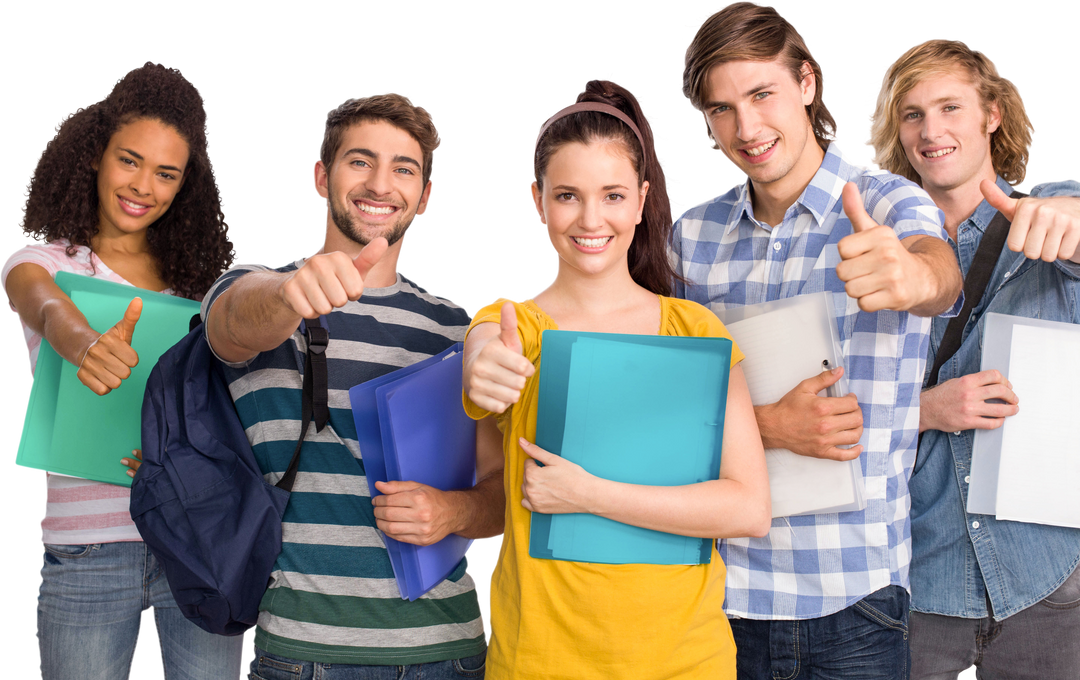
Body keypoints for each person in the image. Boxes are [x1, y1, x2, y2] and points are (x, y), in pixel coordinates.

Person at [671, 3, 965, 677]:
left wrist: (912, 273)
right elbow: (673, 401)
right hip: (722, 599)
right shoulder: (692, 234)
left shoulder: (889, 203)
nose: (746, 128)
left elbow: (937, 273)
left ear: (806, 82)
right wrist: (769, 425)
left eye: (762, 94)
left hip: (856, 600)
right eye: (721, 109)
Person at [462, 75, 772, 680]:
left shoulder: (696, 331)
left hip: (684, 658)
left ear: (639, 199)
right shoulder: (511, 325)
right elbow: (483, 362)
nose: (590, 218)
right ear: (537, 201)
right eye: (568, 195)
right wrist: (483, 372)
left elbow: (748, 507)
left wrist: (589, 495)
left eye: (611, 195)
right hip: (541, 659)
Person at [202, 89, 501, 678]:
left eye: (403, 168)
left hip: (447, 650)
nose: (380, 184)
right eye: (360, 161)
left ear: (426, 196)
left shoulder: (459, 329)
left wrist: (451, 510)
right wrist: (292, 293)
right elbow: (232, 326)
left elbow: (496, 498)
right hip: (303, 652)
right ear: (321, 175)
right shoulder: (255, 287)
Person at [1, 61, 243, 679]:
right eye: (128, 160)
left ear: (185, 185)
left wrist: (183, 454)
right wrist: (82, 343)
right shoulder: (47, 262)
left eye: (167, 173)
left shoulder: (205, 288)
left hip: (196, 541)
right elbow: (44, 303)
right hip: (88, 548)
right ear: (94, 155)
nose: (143, 186)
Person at [863, 35, 1080, 679]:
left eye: (951, 107)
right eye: (913, 115)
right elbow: (831, 409)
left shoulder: (1050, 210)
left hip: (1049, 573)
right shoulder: (877, 250)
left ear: (992, 114)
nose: (933, 131)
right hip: (915, 580)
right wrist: (924, 408)